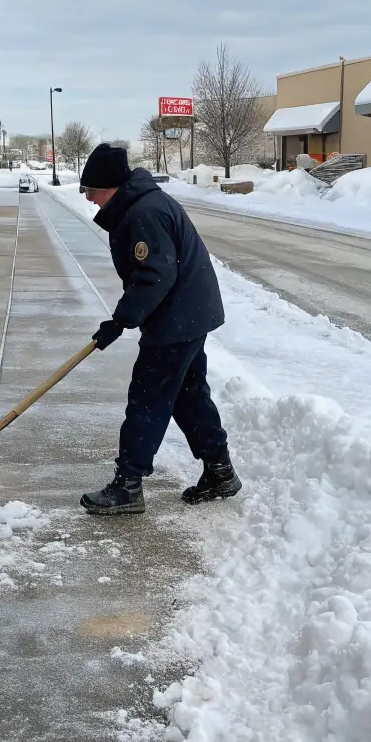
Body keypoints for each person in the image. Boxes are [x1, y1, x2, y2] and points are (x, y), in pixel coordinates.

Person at [78, 143, 241, 515]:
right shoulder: (140, 205)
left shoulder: (145, 213)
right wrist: (124, 318)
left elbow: (154, 276)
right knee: (187, 394)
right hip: (186, 312)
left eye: (91, 190)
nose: (89, 199)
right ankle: (220, 471)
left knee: (148, 397)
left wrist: (120, 320)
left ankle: (128, 484)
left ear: (111, 186)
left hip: (178, 316)